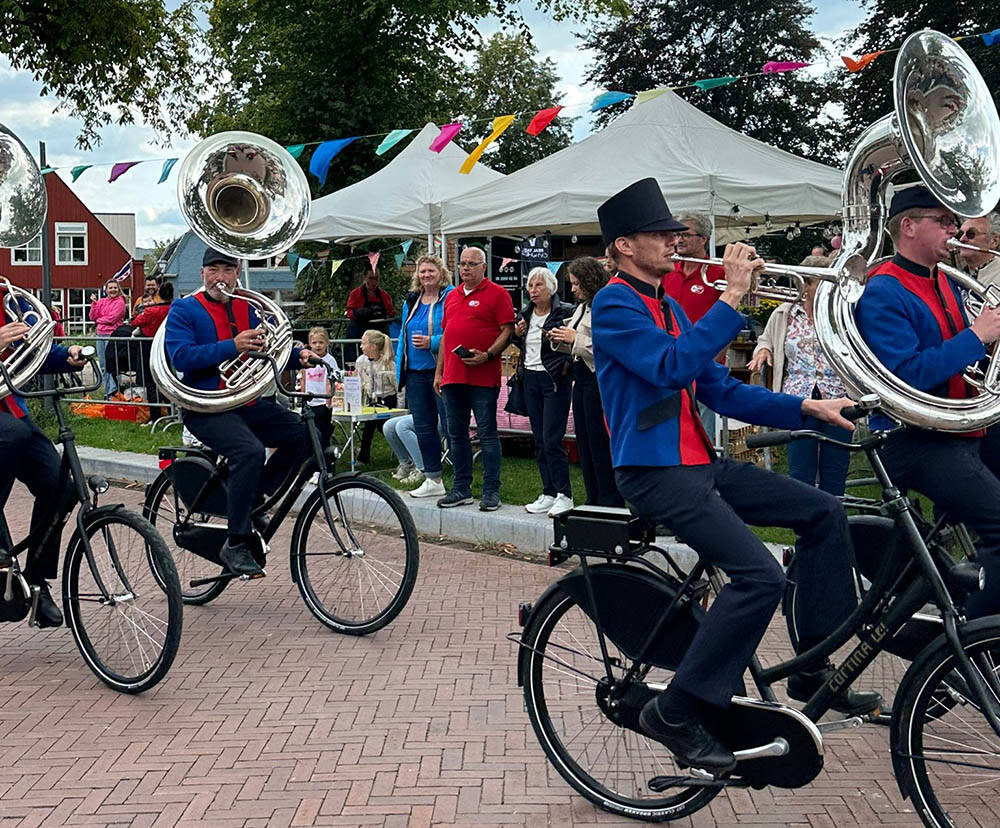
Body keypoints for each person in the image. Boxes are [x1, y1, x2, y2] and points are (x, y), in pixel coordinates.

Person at [592, 177, 876, 774]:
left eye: (675, 233)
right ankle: (677, 710)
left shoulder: (666, 305)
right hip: (654, 471)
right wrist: (730, 299)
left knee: (824, 512)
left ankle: (813, 667)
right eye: (661, 234)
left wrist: (805, 408)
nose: (675, 241)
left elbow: (717, 388)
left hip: (698, 464)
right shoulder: (614, 303)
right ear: (623, 246)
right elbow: (670, 369)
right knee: (759, 577)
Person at [855, 185, 1000, 620]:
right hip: (917, 440)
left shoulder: (942, 280)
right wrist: (977, 337)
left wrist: (982, 343)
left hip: (958, 427)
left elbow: (960, 357)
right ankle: (977, 646)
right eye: (944, 221)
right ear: (909, 226)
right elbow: (905, 376)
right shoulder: (884, 290)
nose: (955, 230)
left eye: (954, 222)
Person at [164, 248, 317, 577]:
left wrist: (298, 354)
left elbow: (271, 347)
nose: (221, 277)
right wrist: (231, 346)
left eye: (228, 270)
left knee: (304, 434)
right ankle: (235, 542)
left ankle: (253, 496)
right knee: (249, 450)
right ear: (203, 273)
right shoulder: (184, 309)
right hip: (205, 406)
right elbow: (181, 357)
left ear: (237, 273)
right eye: (214, 269)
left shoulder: (247, 308)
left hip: (243, 402)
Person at [0, 284, 86, 627]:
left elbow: (32, 350)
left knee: (60, 485)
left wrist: (66, 355)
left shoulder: (8, 299)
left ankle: (36, 582)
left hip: (10, 410)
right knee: (13, 435)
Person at [747, 258, 852, 496]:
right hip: (797, 398)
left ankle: (836, 520)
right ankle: (804, 524)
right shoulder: (784, 313)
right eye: (820, 282)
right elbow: (766, 338)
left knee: (835, 467)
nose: (829, 287)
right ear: (806, 284)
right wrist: (763, 350)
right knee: (800, 468)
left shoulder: (843, 315)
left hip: (838, 395)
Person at [434, 245, 514, 512]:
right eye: (462, 264)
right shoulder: (452, 296)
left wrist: (489, 354)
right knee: (455, 434)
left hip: (482, 376)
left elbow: (507, 330)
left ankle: (491, 491)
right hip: (453, 377)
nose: (465, 268)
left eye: (471, 264)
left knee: (487, 433)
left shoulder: (498, 294)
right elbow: (446, 335)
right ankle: (461, 488)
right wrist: (439, 371)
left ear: (484, 267)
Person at [548, 256, 624, 507]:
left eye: (577, 284)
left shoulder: (606, 305)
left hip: (598, 381)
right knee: (585, 442)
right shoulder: (582, 307)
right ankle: (593, 496)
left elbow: (606, 346)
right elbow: (572, 339)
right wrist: (558, 337)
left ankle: (609, 499)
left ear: (590, 281)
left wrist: (573, 338)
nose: (573, 289)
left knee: (599, 442)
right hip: (580, 380)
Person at [512, 267, 575, 516]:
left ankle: (565, 493)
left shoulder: (565, 312)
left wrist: (565, 364)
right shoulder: (525, 313)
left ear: (551, 288)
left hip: (554, 380)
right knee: (539, 439)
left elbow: (573, 343)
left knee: (552, 438)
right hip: (530, 377)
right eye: (530, 286)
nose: (533, 290)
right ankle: (548, 491)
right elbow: (521, 344)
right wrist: (517, 336)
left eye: (538, 285)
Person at [662, 212, 725, 439]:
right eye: (676, 234)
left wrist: (711, 360)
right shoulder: (668, 271)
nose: (679, 240)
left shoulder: (718, 272)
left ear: (704, 239)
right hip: (670, 360)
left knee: (701, 429)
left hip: (703, 361)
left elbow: (725, 321)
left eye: (686, 235)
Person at [395, 254, 453, 499]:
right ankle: (433, 478)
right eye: (422, 271)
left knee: (451, 425)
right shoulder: (412, 300)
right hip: (416, 374)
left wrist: (433, 342)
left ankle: (462, 479)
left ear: (441, 273)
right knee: (423, 427)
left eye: (431, 271)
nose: (426, 275)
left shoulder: (450, 296)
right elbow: (402, 339)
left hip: (441, 371)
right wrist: (400, 371)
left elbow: (455, 331)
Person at [131, 279, 174, 420]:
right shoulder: (174, 308)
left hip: (149, 347)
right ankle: (171, 412)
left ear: (159, 295)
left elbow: (135, 322)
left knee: (151, 382)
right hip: (167, 347)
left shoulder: (152, 310)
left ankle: (155, 416)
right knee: (167, 379)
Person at [354, 329, 397, 466]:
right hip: (370, 399)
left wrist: (401, 408)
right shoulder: (361, 361)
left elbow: (398, 387)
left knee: (383, 427)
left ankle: (402, 450)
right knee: (368, 428)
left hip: (388, 399)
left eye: (363, 343)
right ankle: (363, 457)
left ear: (373, 347)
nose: (361, 346)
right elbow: (358, 380)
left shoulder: (388, 363)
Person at [298, 326, 341, 449]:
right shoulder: (307, 359)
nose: (318, 346)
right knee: (308, 432)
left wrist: (328, 400)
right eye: (314, 343)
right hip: (309, 401)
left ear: (327, 343)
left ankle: (324, 456)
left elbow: (331, 380)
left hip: (323, 402)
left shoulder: (329, 360)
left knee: (323, 432)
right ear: (309, 344)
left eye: (321, 342)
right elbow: (303, 377)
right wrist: (302, 394)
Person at [88, 280, 127, 398]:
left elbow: (112, 319)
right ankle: (108, 391)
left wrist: (98, 321)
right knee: (103, 364)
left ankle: (115, 390)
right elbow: (92, 316)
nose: (113, 290)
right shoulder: (101, 301)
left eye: (115, 287)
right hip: (100, 334)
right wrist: (94, 304)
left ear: (118, 289)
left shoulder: (120, 302)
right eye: (110, 288)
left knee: (112, 364)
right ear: (106, 290)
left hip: (113, 335)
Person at [384, 414, 443, 486]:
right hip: (427, 411)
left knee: (402, 426)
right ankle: (407, 465)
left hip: (445, 415)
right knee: (388, 427)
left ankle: (423, 469)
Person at [346, 268, 395, 343]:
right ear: (364, 278)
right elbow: (349, 312)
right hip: (359, 335)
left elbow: (391, 313)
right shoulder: (355, 293)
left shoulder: (384, 295)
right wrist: (359, 312)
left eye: (376, 278)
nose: (373, 282)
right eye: (371, 278)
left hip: (379, 334)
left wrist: (386, 317)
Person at [956, 211, 1000, 289]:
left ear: (994, 241)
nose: (962, 239)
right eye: (960, 234)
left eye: (971, 234)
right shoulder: (955, 277)